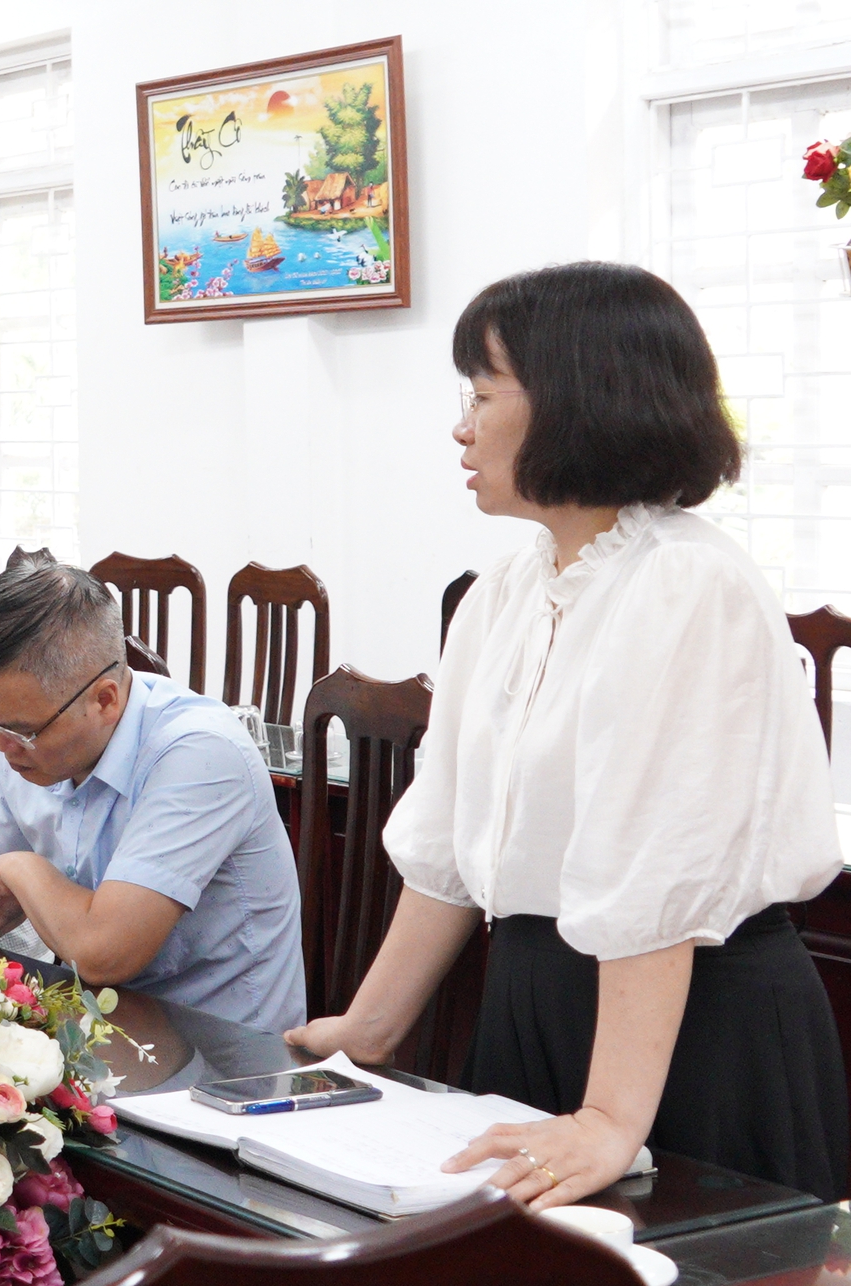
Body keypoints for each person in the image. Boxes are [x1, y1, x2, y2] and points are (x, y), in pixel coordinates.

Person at [291, 263, 846, 1204]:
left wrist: (611, 1116)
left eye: (483, 393)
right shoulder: (507, 592)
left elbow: (656, 865)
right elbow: (449, 843)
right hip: (539, 997)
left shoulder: (683, 583)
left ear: (579, 399)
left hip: (687, 1024)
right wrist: (370, 1026)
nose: (461, 426)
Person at [0, 563, 304, 1032]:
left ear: (106, 699)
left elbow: (103, 953)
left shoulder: (199, 752)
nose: (0, 745)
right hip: (100, 1031)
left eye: (19, 730)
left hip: (227, 1054)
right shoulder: (28, 747)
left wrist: (19, 869)